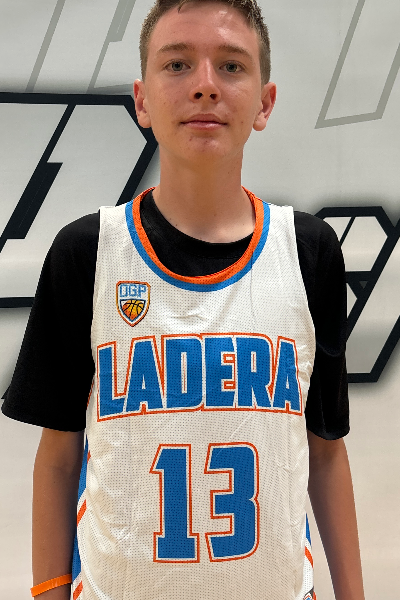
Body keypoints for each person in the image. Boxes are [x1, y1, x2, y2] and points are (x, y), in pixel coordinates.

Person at [1, 0, 365, 598]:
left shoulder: (308, 251)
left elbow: (325, 454)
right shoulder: (87, 251)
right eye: (177, 65)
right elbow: (59, 457)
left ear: (264, 103)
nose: (204, 85)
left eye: (231, 65)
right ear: (141, 100)